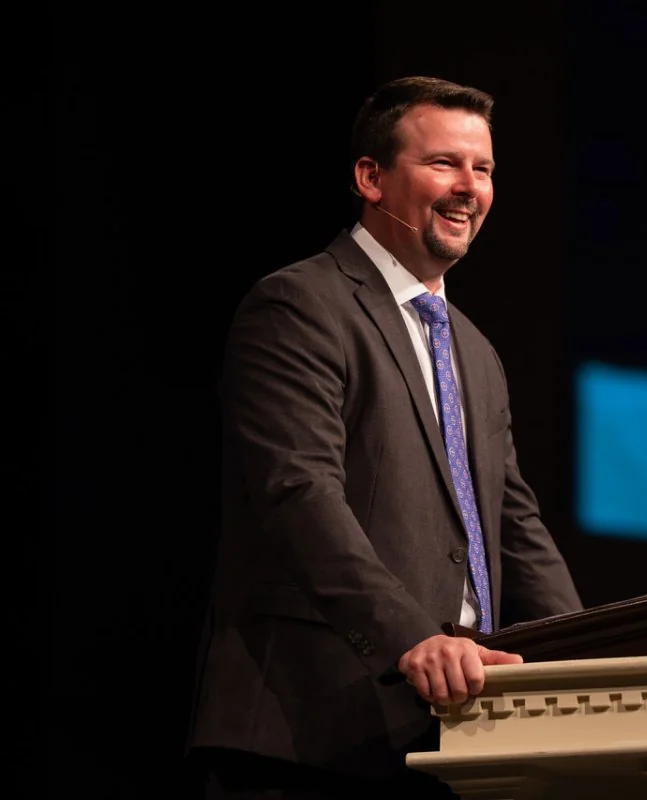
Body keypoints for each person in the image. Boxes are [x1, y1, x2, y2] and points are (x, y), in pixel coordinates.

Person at [186, 76, 583, 798]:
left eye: (485, 169)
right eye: (444, 164)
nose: (470, 187)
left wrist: (591, 662)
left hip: (455, 736)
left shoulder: (476, 352)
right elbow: (297, 493)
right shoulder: (301, 304)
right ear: (371, 177)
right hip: (313, 733)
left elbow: (515, 527)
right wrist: (412, 641)